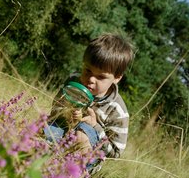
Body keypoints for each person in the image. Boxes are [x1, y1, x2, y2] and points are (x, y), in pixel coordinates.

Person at [44, 33, 134, 168]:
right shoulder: (73, 81)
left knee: (82, 134)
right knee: (42, 131)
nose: (91, 79)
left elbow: (116, 152)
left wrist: (95, 126)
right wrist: (66, 112)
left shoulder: (117, 110)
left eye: (101, 77)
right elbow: (55, 110)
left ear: (117, 78)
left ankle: (73, 175)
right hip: (61, 131)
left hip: (88, 155)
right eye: (88, 70)